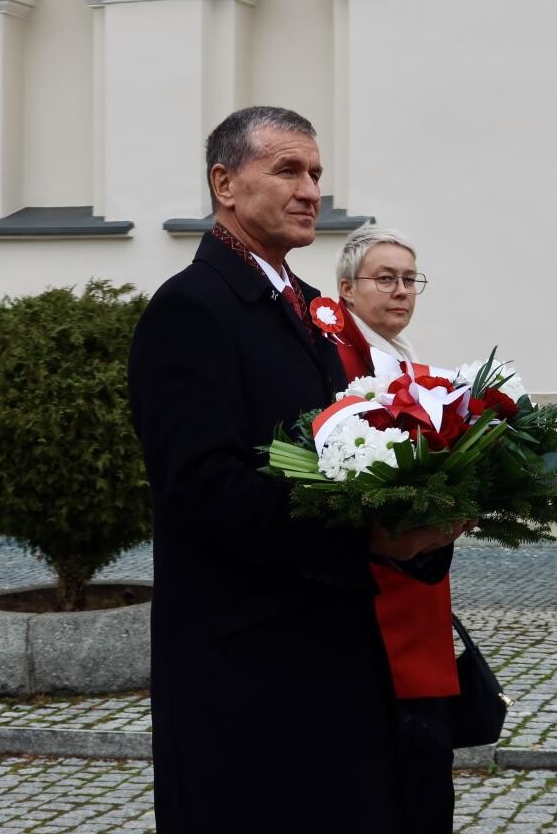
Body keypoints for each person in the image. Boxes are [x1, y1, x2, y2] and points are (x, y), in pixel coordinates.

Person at [128, 107, 466, 834]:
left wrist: (424, 511)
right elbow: (203, 490)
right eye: (288, 170)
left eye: (315, 172)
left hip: (332, 648)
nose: (311, 189)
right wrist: (367, 540)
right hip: (244, 668)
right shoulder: (192, 310)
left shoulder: (309, 309)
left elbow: (352, 458)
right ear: (225, 182)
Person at [335, 225, 467, 834]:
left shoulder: (406, 356)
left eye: (409, 279)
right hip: (378, 591)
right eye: (384, 278)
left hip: (417, 586)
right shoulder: (339, 359)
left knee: (424, 775)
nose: (401, 291)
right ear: (346, 289)